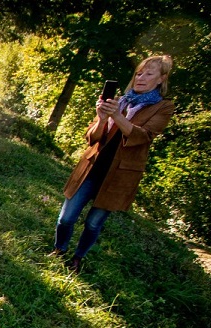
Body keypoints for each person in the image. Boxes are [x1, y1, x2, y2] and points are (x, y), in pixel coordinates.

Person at [52, 55, 175, 272]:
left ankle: (78, 257)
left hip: (118, 176)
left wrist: (116, 115)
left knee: (93, 223)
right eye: (139, 73)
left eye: (149, 74)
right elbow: (92, 137)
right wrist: (101, 118)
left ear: (161, 79)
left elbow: (142, 137)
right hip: (92, 167)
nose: (141, 78)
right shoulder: (119, 100)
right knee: (66, 217)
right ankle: (59, 249)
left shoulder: (162, 107)